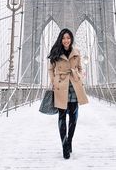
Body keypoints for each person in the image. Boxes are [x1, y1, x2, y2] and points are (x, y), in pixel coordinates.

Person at [48, 28, 89, 159]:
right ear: (61, 39)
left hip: (74, 86)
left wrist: (80, 76)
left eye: (68, 38)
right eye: (64, 38)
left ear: (71, 39)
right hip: (61, 86)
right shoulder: (55, 53)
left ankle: (69, 141)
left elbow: (80, 68)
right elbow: (51, 69)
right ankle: (64, 145)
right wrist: (54, 82)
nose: (66, 40)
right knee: (61, 117)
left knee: (73, 117)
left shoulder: (76, 52)